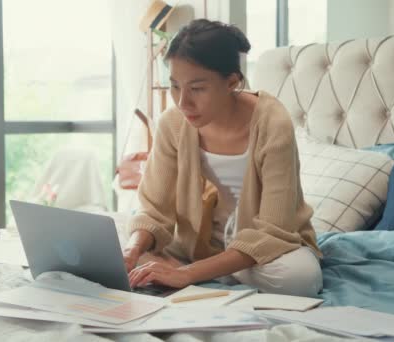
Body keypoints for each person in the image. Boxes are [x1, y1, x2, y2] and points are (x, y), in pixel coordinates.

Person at [123, 19, 323, 297]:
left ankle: (201, 270)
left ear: (232, 82)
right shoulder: (173, 123)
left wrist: (186, 274)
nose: (183, 103)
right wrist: (133, 250)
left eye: (197, 88)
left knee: (299, 279)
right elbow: (155, 210)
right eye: (176, 86)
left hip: (263, 247)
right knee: (121, 251)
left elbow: (275, 230)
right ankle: (205, 269)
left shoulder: (272, 123)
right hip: (195, 245)